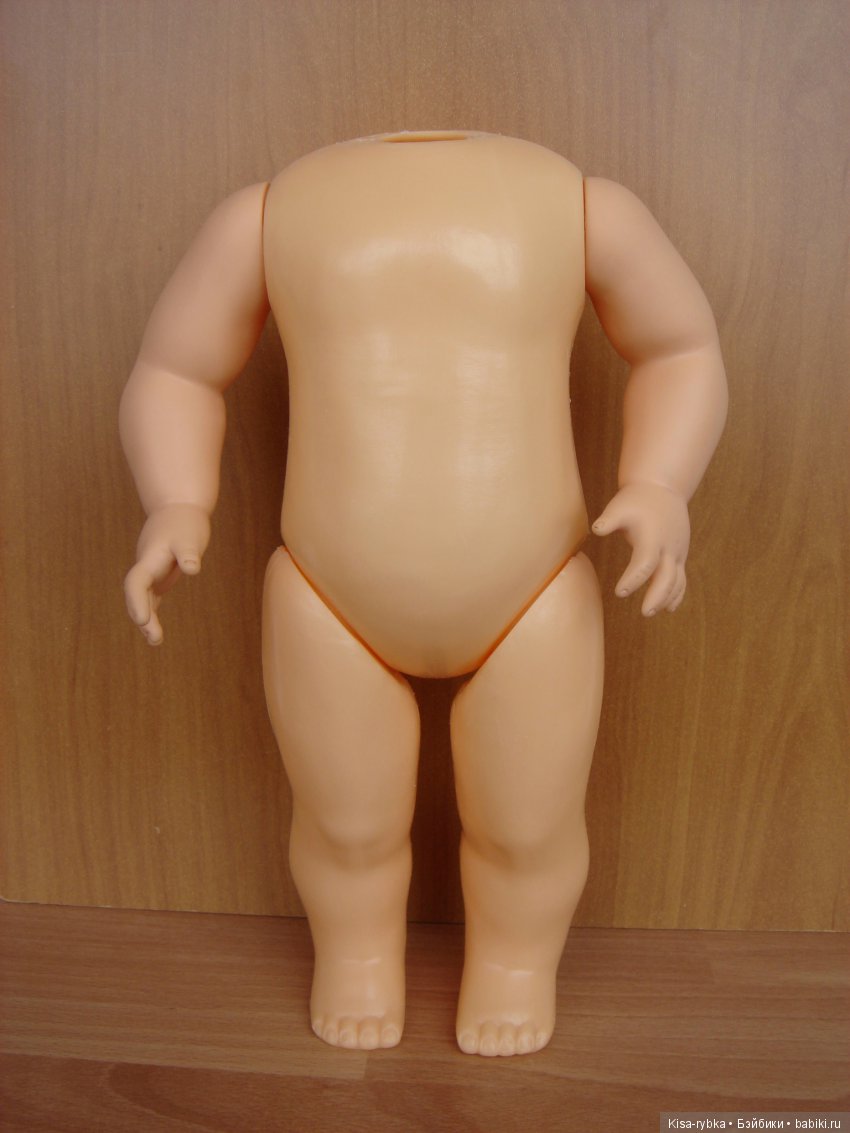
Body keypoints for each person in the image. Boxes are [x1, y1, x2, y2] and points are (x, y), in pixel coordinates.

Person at [120, 130, 727, 1056]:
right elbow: (177, 369)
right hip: (329, 592)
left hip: (533, 591)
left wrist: (659, 484)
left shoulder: (584, 209)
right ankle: (357, 954)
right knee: (344, 826)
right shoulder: (266, 219)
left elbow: (681, 346)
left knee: (529, 829)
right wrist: (174, 500)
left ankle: (517, 964)